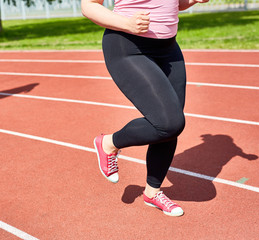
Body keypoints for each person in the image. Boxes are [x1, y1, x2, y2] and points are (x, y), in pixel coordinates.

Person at [82, 0, 209, 217]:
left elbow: (175, 4)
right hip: (128, 46)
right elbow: (88, 6)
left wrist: (193, 0)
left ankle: (152, 192)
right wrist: (127, 24)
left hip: (168, 49)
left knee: (171, 124)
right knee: (169, 122)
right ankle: (108, 143)